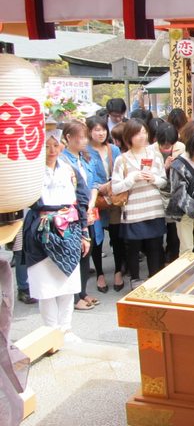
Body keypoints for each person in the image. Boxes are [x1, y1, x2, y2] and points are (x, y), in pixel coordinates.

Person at [23, 127, 90, 343]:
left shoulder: (69, 169)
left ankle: (66, 328)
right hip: (40, 228)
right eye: (46, 146)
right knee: (45, 284)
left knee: (67, 282)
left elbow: (81, 201)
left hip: (68, 227)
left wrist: (84, 233)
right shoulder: (30, 171)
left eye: (55, 145)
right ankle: (50, 330)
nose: (52, 150)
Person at [111, 119, 167, 288]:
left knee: (155, 245)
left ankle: (155, 278)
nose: (142, 136)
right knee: (133, 247)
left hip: (154, 208)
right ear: (129, 136)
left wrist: (154, 178)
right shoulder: (122, 160)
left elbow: (164, 182)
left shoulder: (155, 156)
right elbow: (115, 188)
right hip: (133, 210)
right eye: (137, 133)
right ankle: (135, 279)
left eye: (144, 132)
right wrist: (132, 179)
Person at [60, 121, 101, 311]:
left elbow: (94, 183)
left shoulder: (86, 158)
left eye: (86, 137)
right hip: (72, 214)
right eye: (81, 137)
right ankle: (74, 296)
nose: (85, 141)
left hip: (88, 211)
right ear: (68, 137)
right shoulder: (62, 160)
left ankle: (82, 292)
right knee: (75, 252)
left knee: (87, 251)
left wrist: (91, 203)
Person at [86, 115, 125, 293]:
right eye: (96, 130)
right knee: (97, 238)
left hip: (113, 198)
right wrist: (98, 189)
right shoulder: (85, 151)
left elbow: (119, 172)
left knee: (117, 237)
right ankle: (100, 273)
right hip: (94, 201)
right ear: (89, 132)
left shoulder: (114, 149)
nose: (100, 133)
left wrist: (110, 186)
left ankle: (118, 271)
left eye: (103, 129)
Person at [151, 122, 185, 263]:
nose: (167, 147)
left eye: (169, 144)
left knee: (174, 232)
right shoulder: (150, 151)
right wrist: (164, 168)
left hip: (175, 193)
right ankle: (158, 261)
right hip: (157, 194)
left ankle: (172, 258)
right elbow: (149, 175)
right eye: (164, 144)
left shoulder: (181, 148)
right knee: (157, 232)